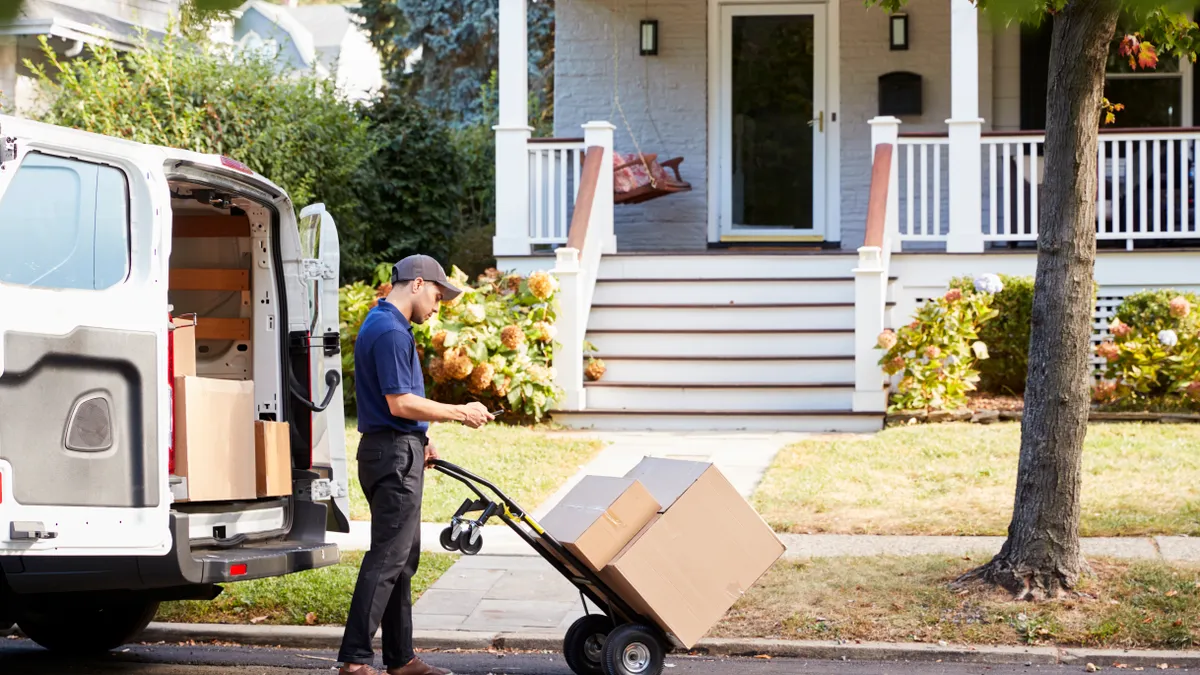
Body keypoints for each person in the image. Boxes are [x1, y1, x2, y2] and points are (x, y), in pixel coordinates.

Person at [338, 254, 494, 675]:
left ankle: (400, 658)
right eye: (438, 298)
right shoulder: (389, 330)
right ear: (418, 283)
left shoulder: (384, 323)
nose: (437, 308)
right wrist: (461, 412)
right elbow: (399, 401)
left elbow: (398, 405)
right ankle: (354, 661)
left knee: (402, 558)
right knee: (388, 558)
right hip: (391, 457)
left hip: (392, 449)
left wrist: (422, 437)